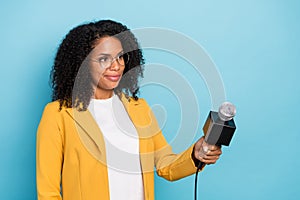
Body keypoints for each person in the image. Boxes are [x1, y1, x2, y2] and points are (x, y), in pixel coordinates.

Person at [36, 19, 222, 200]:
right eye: (103, 59)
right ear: (82, 64)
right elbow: (48, 192)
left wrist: (195, 154)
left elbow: (166, 165)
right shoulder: (58, 115)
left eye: (120, 56)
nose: (116, 66)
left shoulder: (139, 108)